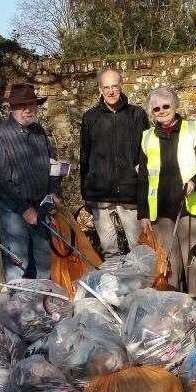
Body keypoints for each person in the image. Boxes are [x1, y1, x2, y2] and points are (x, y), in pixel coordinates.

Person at [137, 87, 196, 300]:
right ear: (151, 112)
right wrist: (143, 213)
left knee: (195, 261)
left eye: (166, 106)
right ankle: (172, 309)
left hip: (189, 207)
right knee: (168, 265)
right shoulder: (146, 138)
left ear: (175, 105)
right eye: (156, 108)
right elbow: (143, 179)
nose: (162, 111)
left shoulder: (193, 129)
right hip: (161, 210)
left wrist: (194, 182)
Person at [0, 83, 65, 281]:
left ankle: (43, 308)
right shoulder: (0, 134)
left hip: (40, 207)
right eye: (22, 105)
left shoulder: (39, 132)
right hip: (14, 211)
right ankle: (19, 311)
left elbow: (53, 166)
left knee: (44, 264)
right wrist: (24, 208)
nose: (28, 109)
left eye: (31, 104)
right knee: (18, 267)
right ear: (12, 108)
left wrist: (53, 193)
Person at [80, 67, 150, 258]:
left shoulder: (137, 115)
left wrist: (144, 195)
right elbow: (84, 157)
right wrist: (85, 192)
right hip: (100, 195)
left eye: (114, 86)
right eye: (106, 87)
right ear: (100, 89)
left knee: (140, 251)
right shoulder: (90, 118)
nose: (110, 91)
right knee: (110, 253)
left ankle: (141, 288)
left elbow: (145, 157)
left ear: (122, 85)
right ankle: (114, 288)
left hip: (130, 195)